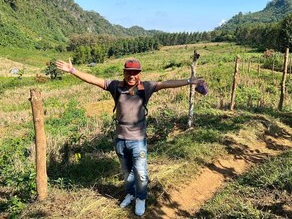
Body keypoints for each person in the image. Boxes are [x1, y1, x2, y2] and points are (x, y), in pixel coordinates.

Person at [56, 58, 203, 216]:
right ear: (124, 72)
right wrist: (73, 71)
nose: (131, 75)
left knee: (140, 172)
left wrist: (189, 81)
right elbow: (94, 80)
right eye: (128, 72)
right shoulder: (115, 86)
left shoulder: (145, 87)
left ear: (139, 74)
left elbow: (165, 83)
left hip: (138, 140)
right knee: (127, 173)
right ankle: (131, 193)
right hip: (120, 139)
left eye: (135, 72)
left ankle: (141, 198)